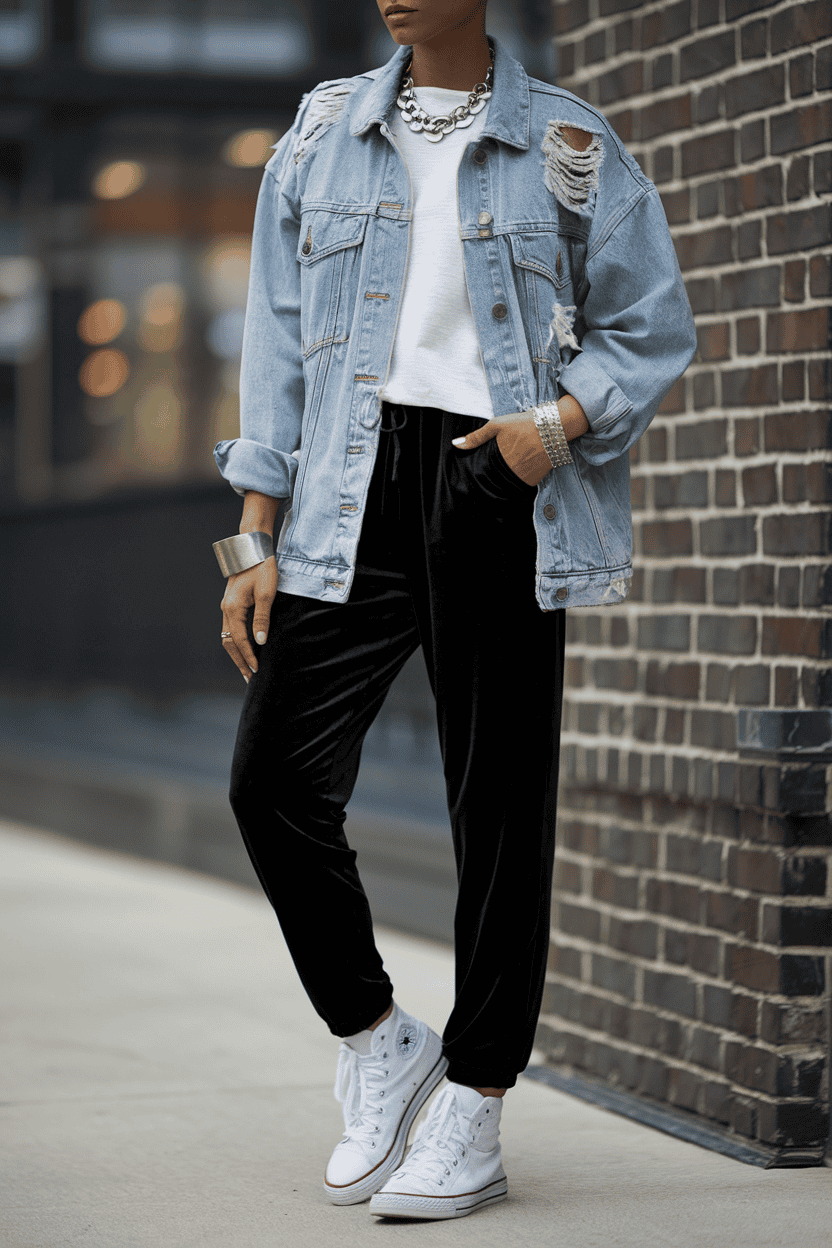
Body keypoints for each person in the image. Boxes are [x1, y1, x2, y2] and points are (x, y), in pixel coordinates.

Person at [211, 0, 696, 1222]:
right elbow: (274, 342)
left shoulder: (570, 147)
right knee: (271, 780)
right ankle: (377, 1036)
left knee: (497, 804)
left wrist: (550, 433)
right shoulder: (321, 133)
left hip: (495, 477)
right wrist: (248, 538)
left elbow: (650, 326)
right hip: (341, 486)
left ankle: (475, 1097)